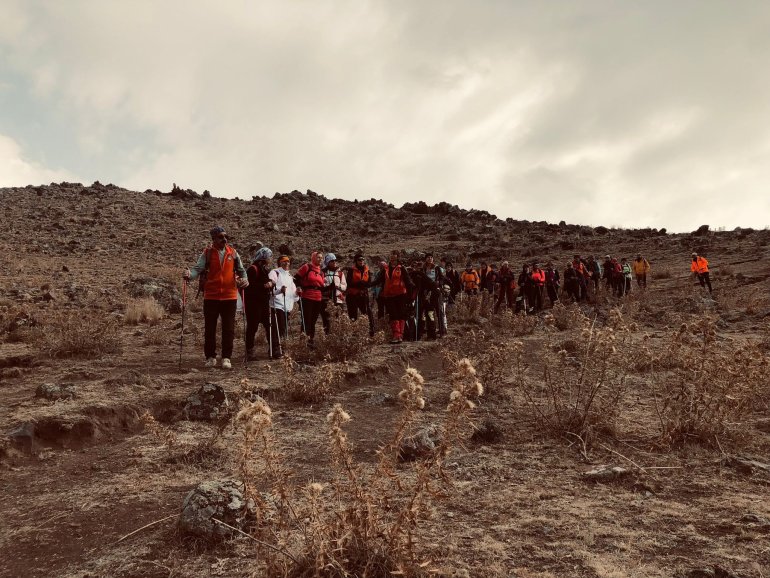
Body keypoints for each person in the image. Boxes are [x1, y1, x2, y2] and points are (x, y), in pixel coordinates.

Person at [183, 226, 248, 369]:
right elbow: (197, 269)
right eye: (220, 237)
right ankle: (210, 357)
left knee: (228, 329)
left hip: (229, 296)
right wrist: (189, 275)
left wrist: (245, 280)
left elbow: (242, 271)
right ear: (213, 239)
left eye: (225, 236)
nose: (224, 239)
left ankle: (226, 358)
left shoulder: (233, 253)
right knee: (210, 328)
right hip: (211, 296)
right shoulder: (207, 253)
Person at [245, 247, 282, 359]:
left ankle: (274, 349)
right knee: (253, 327)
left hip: (264, 303)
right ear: (264, 257)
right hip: (254, 304)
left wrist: (271, 283)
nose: (271, 258)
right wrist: (264, 286)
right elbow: (248, 286)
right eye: (269, 256)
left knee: (270, 325)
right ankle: (250, 352)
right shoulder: (253, 269)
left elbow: (265, 283)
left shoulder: (264, 269)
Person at [377, 251, 414, 344]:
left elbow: (408, 280)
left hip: (401, 295)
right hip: (389, 295)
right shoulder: (385, 269)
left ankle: (399, 335)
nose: (393, 260)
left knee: (401, 314)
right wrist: (368, 285)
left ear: (398, 258)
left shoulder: (402, 268)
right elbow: (378, 280)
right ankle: (396, 335)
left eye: (394, 258)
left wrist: (412, 292)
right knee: (393, 315)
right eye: (391, 258)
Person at [295, 251, 325, 346]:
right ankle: (304, 341)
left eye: (321, 258)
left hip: (318, 298)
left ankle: (310, 341)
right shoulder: (306, 267)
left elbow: (322, 286)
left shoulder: (321, 271)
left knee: (313, 321)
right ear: (313, 258)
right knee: (306, 320)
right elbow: (296, 278)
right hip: (307, 297)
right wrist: (299, 287)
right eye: (318, 257)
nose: (320, 259)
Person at [269, 255, 298, 340]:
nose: (286, 263)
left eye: (288, 261)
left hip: (287, 306)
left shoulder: (289, 276)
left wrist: (297, 293)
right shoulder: (274, 272)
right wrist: (279, 290)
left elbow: (293, 292)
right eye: (284, 261)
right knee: (278, 328)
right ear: (279, 262)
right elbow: (270, 288)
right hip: (277, 305)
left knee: (283, 328)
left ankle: (282, 346)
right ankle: (276, 348)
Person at [345, 253, 375, 336]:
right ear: (356, 261)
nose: (361, 261)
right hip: (352, 295)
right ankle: (354, 333)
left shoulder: (367, 270)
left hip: (363, 295)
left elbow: (369, 283)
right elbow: (349, 283)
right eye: (359, 260)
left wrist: (363, 284)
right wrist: (360, 283)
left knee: (367, 313)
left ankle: (371, 332)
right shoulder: (351, 270)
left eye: (362, 259)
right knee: (353, 314)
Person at [320, 253, 347, 335]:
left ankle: (338, 337)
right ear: (327, 262)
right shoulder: (322, 272)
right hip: (326, 299)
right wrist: (328, 286)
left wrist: (338, 286)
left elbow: (345, 286)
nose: (334, 262)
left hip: (338, 299)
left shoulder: (340, 273)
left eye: (335, 260)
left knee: (338, 318)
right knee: (327, 319)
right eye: (332, 261)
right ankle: (328, 336)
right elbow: (320, 284)